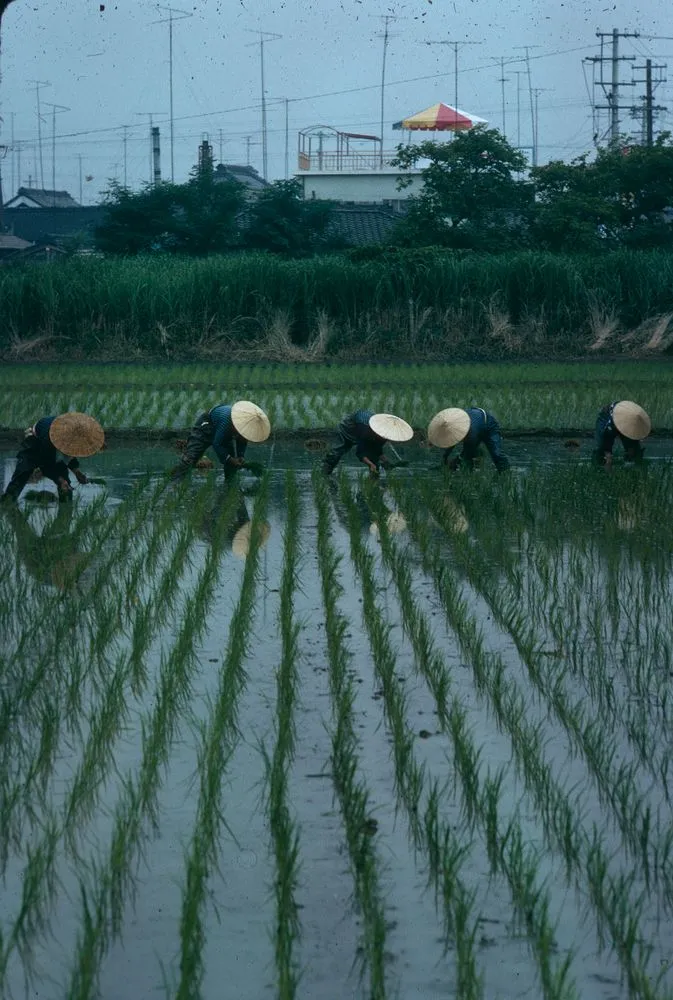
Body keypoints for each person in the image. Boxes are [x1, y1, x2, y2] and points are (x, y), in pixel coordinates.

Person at [1, 412, 104, 503]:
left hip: (53, 444)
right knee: (22, 473)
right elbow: (45, 464)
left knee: (66, 483)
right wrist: (59, 479)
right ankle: (7, 503)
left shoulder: (74, 437)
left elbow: (70, 454)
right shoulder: (51, 437)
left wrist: (77, 473)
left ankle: (66, 511)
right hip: (36, 443)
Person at [171, 400, 270, 481]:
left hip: (225, 429)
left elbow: (242, 441)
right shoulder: (227, 421)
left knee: (232, 460)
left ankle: (230, 483)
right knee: (191, 458)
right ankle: (175, 481)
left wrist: (240, 456)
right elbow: (217, 444)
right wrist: (229, 459)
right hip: (207, 424)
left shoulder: (245, 427)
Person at [322, 410, 413, 477]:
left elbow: (377, 450)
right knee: (340, 450)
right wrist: (370, 464)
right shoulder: (366, 431)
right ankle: (325, 473)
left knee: (373, 458)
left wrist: (386, 462)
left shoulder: (383, 433)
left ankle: (374, 477)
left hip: (362, 428)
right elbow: (360, 453)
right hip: (348, 428)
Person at [427, 407, 510, 472]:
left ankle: (505, 474)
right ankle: (467, 476)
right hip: (475, 421)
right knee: (466, 461)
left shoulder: (470, 431)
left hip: (489, 426)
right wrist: (444, 458)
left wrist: (456, 461)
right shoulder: (452, 425)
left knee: (496, 454)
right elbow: (451, 442)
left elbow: (468, 451)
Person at [593, 400, 650, 468]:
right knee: (603, 452)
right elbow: (606, 444)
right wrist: (608, 459)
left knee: (634, 450)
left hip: (626, 419)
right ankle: (601, 471)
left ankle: (633, 465)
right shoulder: (608, 424)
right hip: (607, 419)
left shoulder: (637, 418)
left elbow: (634, 438)